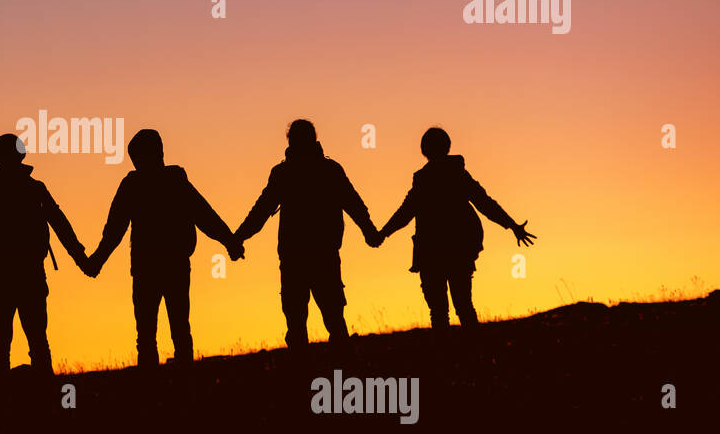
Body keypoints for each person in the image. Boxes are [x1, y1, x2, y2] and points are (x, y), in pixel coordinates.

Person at [86, 129, 243, 369]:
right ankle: (178, 386)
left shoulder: (143, 184)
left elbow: (114, 231)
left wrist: (97, 261)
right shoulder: (169, 182)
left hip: (154, 268)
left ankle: (159, 389)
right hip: (166, 266)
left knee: (155, 334)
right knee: (174, 331)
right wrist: (230, 241)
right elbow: (204, 216)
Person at [0, 134, 90, 379]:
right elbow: (60, 224)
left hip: (0, 279)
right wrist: (83, 260)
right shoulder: (33, 189)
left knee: (3, 344)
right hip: (27, 277)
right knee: (35, 342)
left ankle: (1, 404)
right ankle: (44, 401)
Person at [374, 127, 535, 334]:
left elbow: (405, 213)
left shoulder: (425, 180)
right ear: (447, 147)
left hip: (432, 252)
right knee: (463, 306)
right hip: (457, 250)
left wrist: (382, 234)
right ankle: (473, 355)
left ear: (424, 150)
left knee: (439, 312)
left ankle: (448, 359)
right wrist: (512, 225)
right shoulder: (455, 174)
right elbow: (485, 203)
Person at [234, 119, 379, 347]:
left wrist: (237, 238)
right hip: (322, 256)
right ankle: (340, 375)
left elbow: (260, 212)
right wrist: (370, 231)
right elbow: (354, 205)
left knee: (299, 324)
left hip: (297, 258)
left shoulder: (285, 173)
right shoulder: (328, 170)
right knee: (331, 321)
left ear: (290, 141)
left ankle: (301, 376)